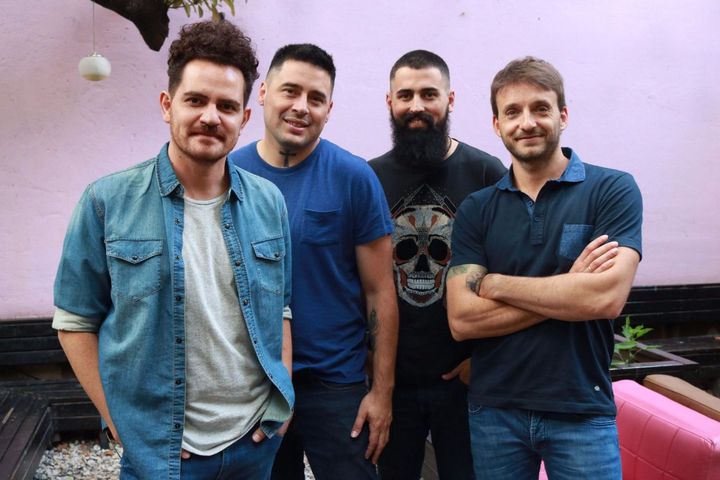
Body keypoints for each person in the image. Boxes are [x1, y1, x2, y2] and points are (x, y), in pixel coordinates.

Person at [53, 20, 293, 480]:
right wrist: (121, 423)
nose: (211, 117)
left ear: (244, 118)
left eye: (226, 106)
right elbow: (74, 322)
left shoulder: (269, 203)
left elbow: (281, 307)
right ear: (168, 105)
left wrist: (282, 405)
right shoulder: (106, 202)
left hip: (254, 444)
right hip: (160, 455)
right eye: (195, 100)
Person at [447, 56, 642, 480]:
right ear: (497, 124)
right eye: (512, 112)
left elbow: (605, 298)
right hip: (495, 412)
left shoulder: (611, 189)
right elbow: (462, 320)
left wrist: (496, 283)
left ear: (563, 115)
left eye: (540, 108)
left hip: (581, 411)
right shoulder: (477, 209)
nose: (527, 122)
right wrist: (569, 288)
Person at [230, 44, 398, 480]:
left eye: (316, 98)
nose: (301, 107)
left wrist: (381, 394)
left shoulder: (354, 177)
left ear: (329, 109)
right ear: (263, 93)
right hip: (255, 383)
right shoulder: (229, 175)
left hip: (336, 384)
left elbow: (380, 291)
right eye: (290, 91)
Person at [368, 50, 505, 480]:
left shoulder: (487, 174)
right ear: (389, 101)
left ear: (450, 99)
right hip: (394, 384)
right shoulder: (368, 178)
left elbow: (509, 272)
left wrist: (483, 363)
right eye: (405, 95)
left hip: (466, 383)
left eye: (429, 94)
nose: (416, 106)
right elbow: (361, 281)